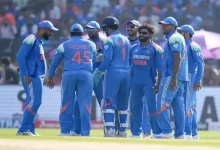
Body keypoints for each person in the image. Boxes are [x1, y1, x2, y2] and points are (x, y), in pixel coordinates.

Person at [47, 23, 96, 136]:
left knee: (66, 103)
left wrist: (50, 76)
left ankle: (65, 131)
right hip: (86, 74)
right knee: (85, 104)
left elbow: (54, 63)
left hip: (69, 74)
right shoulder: (91, 44)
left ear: (70, 34)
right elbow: (93, 59)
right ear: (82, 33)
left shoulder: (63, 45)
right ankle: (85, 132)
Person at [16, 20, 58, 136]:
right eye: (50, 31)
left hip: (34, 76)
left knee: (32, 102)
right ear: (43, 30)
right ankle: (23, 129)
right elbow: (20, 56)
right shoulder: (31, 38)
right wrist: (25, 74)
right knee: (36, 102)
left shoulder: (38, 41)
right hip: (31, 76)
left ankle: (29, 129)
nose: (51, 33)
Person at [93, 16, 131, 137]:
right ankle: (123, 131)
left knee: (108, 102)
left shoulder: (109, 40)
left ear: (105, 27)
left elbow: (107, 59)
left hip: (113, 72)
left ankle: (109, 130)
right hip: (126, 72)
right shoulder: (126, 40)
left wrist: (98, 72)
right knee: (123, 104)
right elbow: (130, 59)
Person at [156, 17, 188, 139]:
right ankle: (180, 134)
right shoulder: (176, 37)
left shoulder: (174, 38)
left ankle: (166, 132)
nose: (163, 27)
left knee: (161, 102)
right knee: (178, 105)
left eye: (166, 25)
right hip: (180, 76)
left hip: (172, 75)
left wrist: (173, 77)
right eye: (163, 25)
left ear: (174, 26)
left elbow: (177, 58)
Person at [129, 23, 162, 138]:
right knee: (135, 109)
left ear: (151, 34)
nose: (141, 35)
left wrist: (158, 84)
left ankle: (157, 133)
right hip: (135, 83)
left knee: (152, 109)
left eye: (144, 33)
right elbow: (130, 67)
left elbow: (161, 69)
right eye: (140, 33)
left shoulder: (156, 49)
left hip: (149, 83)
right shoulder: (133, 48)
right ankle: (135, 133)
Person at [177, 25, 204, 140]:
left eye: (181, 32)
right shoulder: (184, 45)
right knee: (190, 106)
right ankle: (194, 133)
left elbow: (201, 64)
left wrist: (198, 79)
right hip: (184, 76)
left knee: (187, 105)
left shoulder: (193, 46)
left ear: (187, 33)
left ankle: (188, 133)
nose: (179, 33)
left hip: (190, 76)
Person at [126, 20, 151, 138]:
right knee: (133, 106)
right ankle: (132, 131)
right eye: (127, 26)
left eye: (132, 26)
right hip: (126, 77)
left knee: (144, 106)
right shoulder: (124, 41)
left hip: (142, 78)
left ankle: (146, 131)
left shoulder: (144, 42)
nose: (129, 28)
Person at [84, 21, 105, 106]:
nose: (89, 32)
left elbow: (106, 59)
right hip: (87, 75)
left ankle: (108, 119)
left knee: (102, 103)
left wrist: (99, 52)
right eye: (88, 30)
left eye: (92, 30)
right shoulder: (85, 43)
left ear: (98, 30)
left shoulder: (104, 42)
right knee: (81, 102)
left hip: (100, 77)